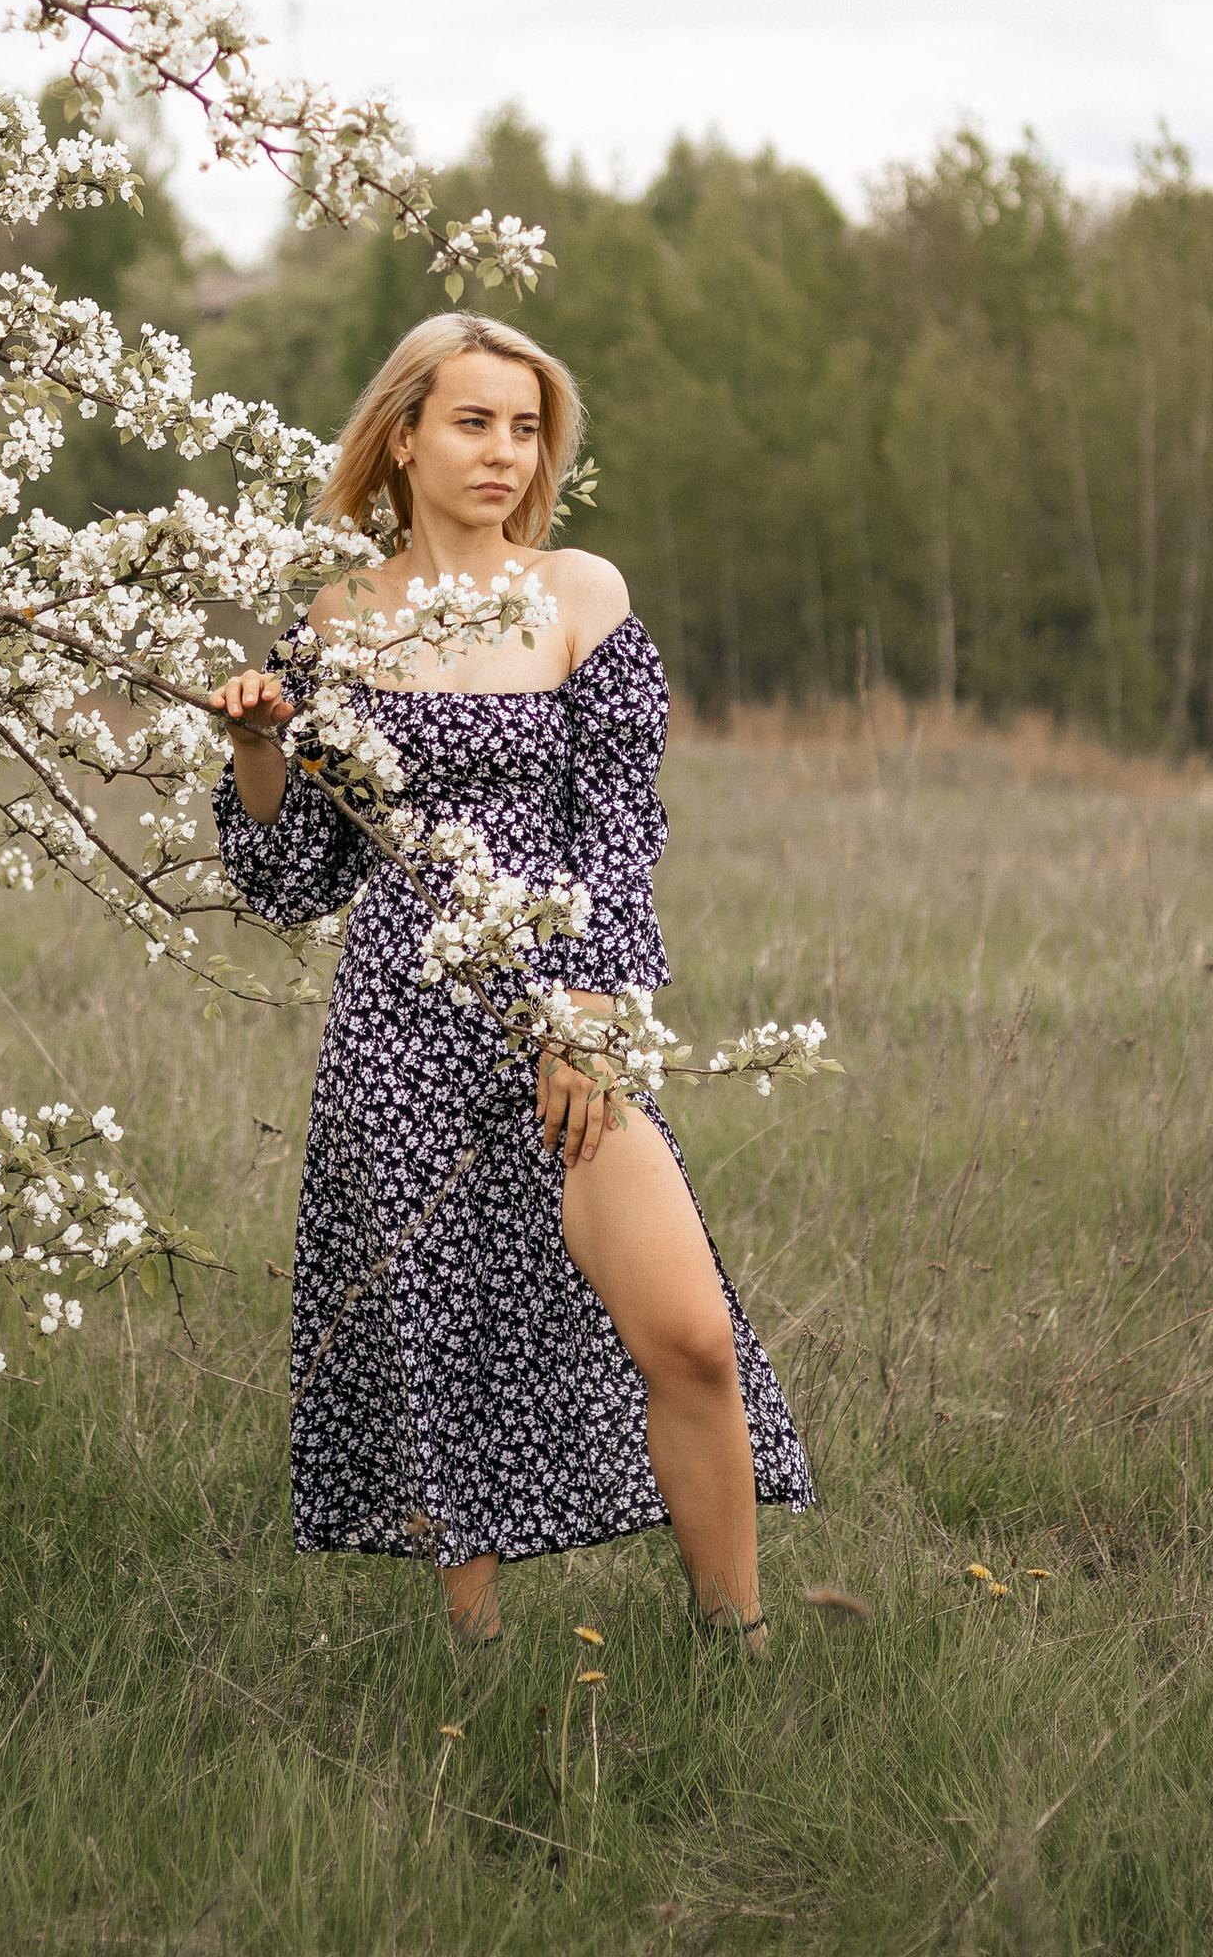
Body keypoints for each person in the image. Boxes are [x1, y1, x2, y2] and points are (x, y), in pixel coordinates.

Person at [207, 311, 813, 1648]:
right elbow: (293, 879)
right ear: (403, 438)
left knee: (690, 1336)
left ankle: (741, 1641)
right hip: (399, 1029)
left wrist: (586, 1013)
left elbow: (622, 828)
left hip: (564, 1012)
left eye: (527, 429)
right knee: (445, 1344)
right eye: (474, 422)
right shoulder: (340, 619)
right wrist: (257, 751)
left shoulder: (578, 592)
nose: (504, 453)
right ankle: (471, 1666)